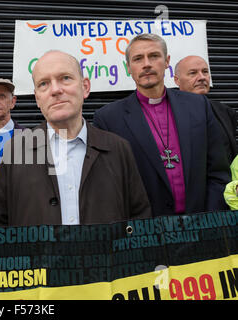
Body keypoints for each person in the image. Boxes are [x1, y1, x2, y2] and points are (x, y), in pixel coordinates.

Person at [0, 50, 151, 227]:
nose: (56, 90)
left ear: (85, 87)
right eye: (44, 83)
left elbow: (140, 219)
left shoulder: (118, 149)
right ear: (37, 98)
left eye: (65, 78)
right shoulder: (15, 151)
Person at [93, 34, 230, 217]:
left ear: (167, 62)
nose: (146, 64)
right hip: (145, 233)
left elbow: (218, 172)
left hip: (201, 228)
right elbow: (110, 186)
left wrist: (210, 220)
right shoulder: (108, 118)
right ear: (128, 68)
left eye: (154, 56)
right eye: (138, 59)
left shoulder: (198, 106)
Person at [174, 55, 237, 163]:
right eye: (193, 73)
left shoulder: (225, 112)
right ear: (177, 80)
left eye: (205, 72)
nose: (202, 77)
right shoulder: (169, 113)